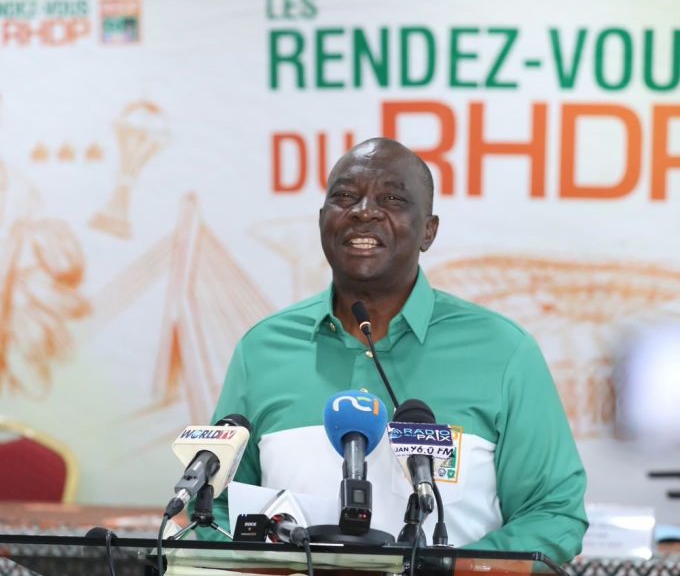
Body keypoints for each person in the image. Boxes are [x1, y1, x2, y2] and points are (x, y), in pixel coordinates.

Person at [196, 138, 588, 563]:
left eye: (392, 199)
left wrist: (449, 570)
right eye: (345, 197)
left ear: (428, 231)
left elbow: (552, 515)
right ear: (322, 220)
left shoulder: (503, 351)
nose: (363, 211)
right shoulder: (263, 349)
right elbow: (214, 507)